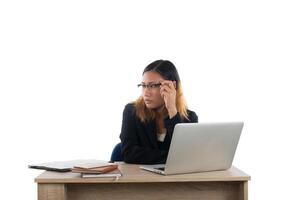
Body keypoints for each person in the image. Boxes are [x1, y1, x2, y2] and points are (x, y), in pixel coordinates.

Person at [119, 60, 198, 164]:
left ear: (172, 86)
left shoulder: (189, 118)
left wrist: (172, 110)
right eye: (143, 85)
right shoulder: (132, 111)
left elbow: (185, 154)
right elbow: (128, 153)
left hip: (174, 178)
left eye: (152, 86)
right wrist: (170, 157)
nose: (146, 92)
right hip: (140, 176)